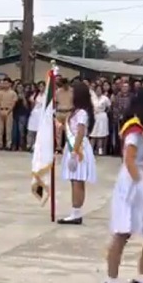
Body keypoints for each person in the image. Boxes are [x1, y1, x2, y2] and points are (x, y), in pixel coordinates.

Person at [104, 88, 143, 283]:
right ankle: (111, 280)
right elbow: (130, 160)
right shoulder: (133, 128)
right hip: (131, 182)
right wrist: (141, 186)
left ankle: (142, 277)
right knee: (123, 232)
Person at [57, 82, 97, 225]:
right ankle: (76, 212)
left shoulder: (82, 112)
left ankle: (76, 212)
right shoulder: (76, 110)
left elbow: (80, 131)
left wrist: (74, 151)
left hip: (78, 148)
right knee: (75, 180)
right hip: (73, 145)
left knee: (77, 180)